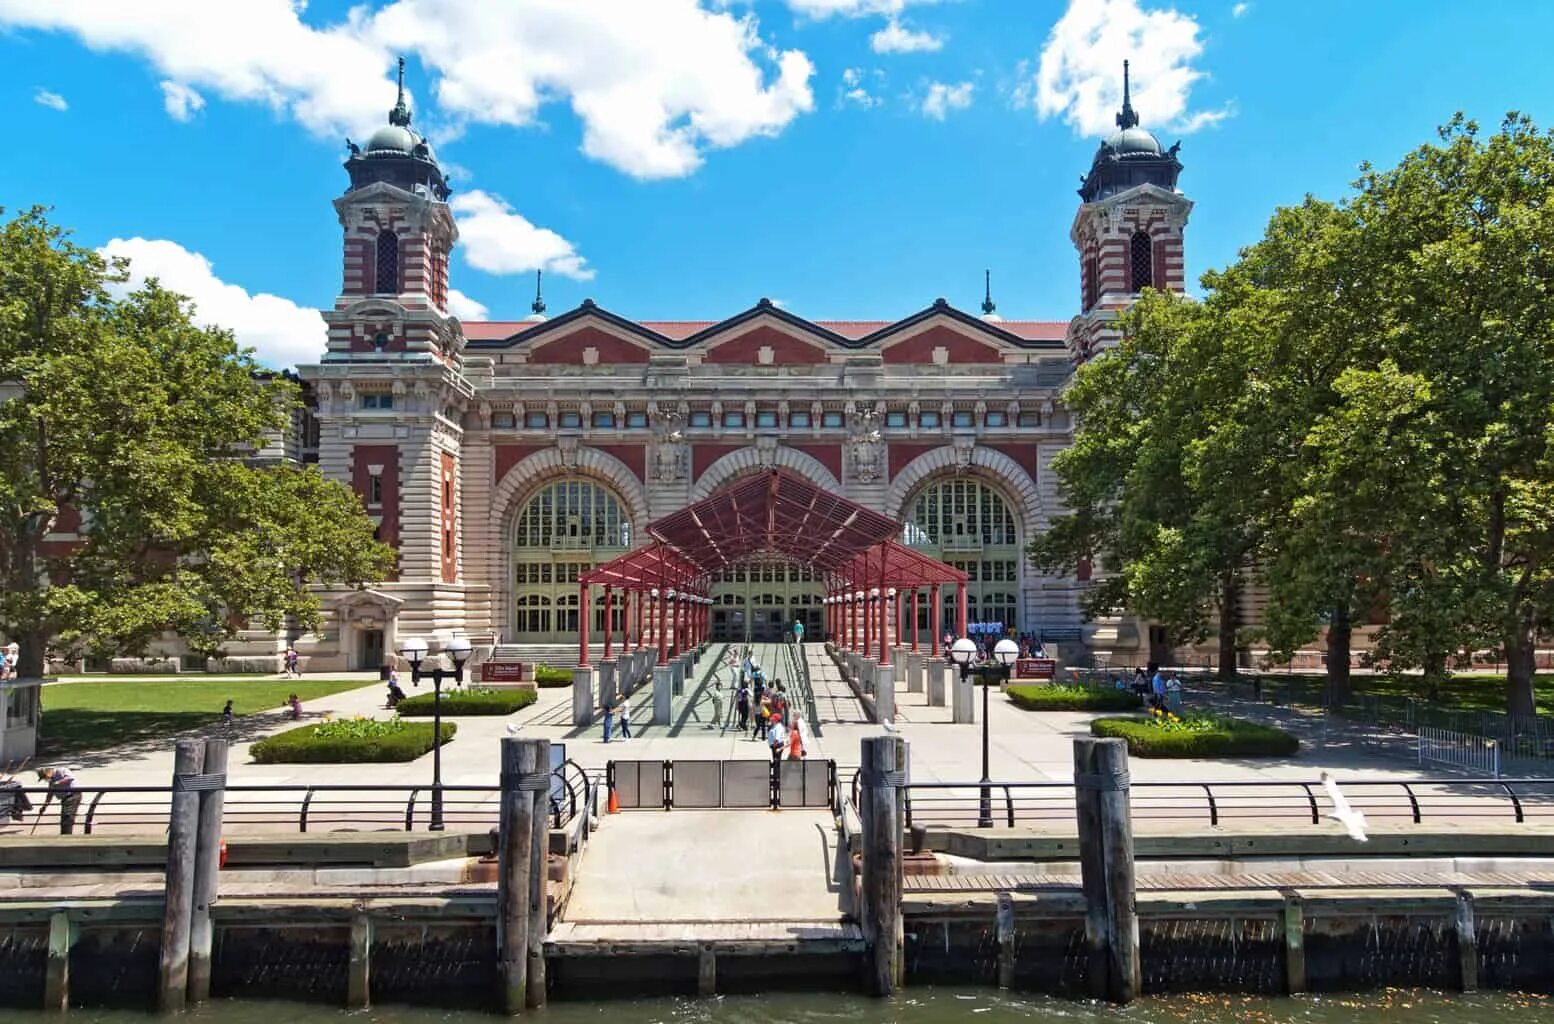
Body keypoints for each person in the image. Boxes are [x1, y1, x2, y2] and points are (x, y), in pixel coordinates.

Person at [36, 767, 81, 835]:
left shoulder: (61, 770)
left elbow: (70, 778)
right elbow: (49, 795)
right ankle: (65, 834)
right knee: (65, 817)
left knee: (67, 816)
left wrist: (58, 782)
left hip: (72, 795)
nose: (45, 779)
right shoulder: (51, 781)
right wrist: (44, 807)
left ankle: (66, 836)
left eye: (45, 777)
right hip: (65, 798)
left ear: (48, 772)